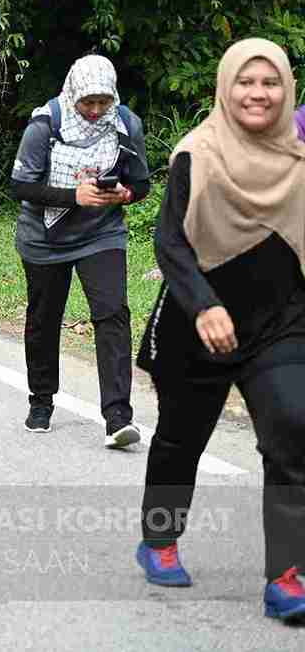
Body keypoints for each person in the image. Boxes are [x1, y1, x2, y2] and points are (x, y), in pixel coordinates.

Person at [134, 39, 305, 621]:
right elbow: (170, 241)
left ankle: (285, 575)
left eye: (271, 83)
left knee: (293, 429)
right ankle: (159, 539)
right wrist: (204, 304)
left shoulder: (300, 162)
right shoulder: (197, 154)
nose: (258, 93)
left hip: (279, 327)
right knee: (181, 441)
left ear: (287, 90)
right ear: (225, 87)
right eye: (246, 82)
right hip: (195, 322)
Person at [9, 54, 150, 444]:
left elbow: (142, 184)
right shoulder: (46, 125)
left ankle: (118, 417)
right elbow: (21, 186)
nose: (94, 111)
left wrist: (125, 193)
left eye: (103, 103)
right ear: (72, 94)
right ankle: (41, 401)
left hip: (100, 234)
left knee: (112, 313)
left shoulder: (126, 125)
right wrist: (74, 195)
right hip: (44, 237)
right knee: (44, 318)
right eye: (87, 102)